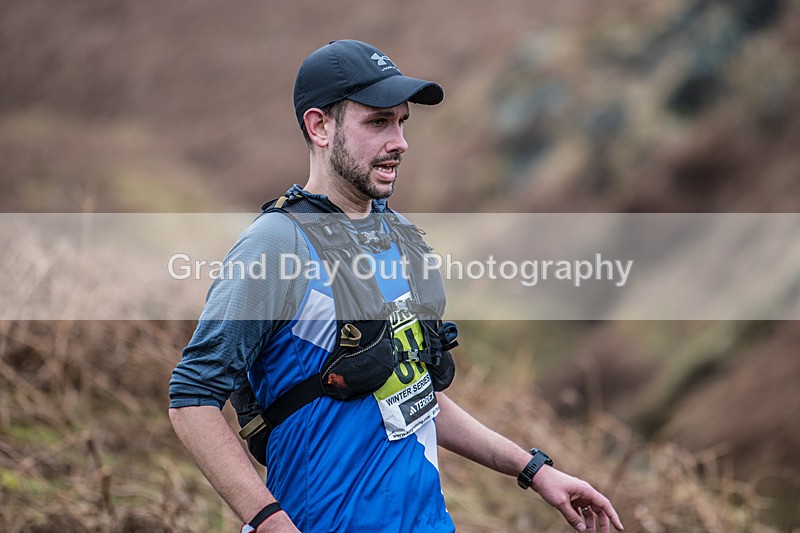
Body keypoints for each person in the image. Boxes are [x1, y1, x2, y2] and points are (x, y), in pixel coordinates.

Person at [169, 39, 624, 533]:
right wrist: (272, 524)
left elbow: (411, 389)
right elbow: (192, 398)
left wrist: (534, 470)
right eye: (378, 122)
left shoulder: (400, 239)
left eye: (402, 122)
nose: (400, 141)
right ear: (320, 127)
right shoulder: (276, 246)